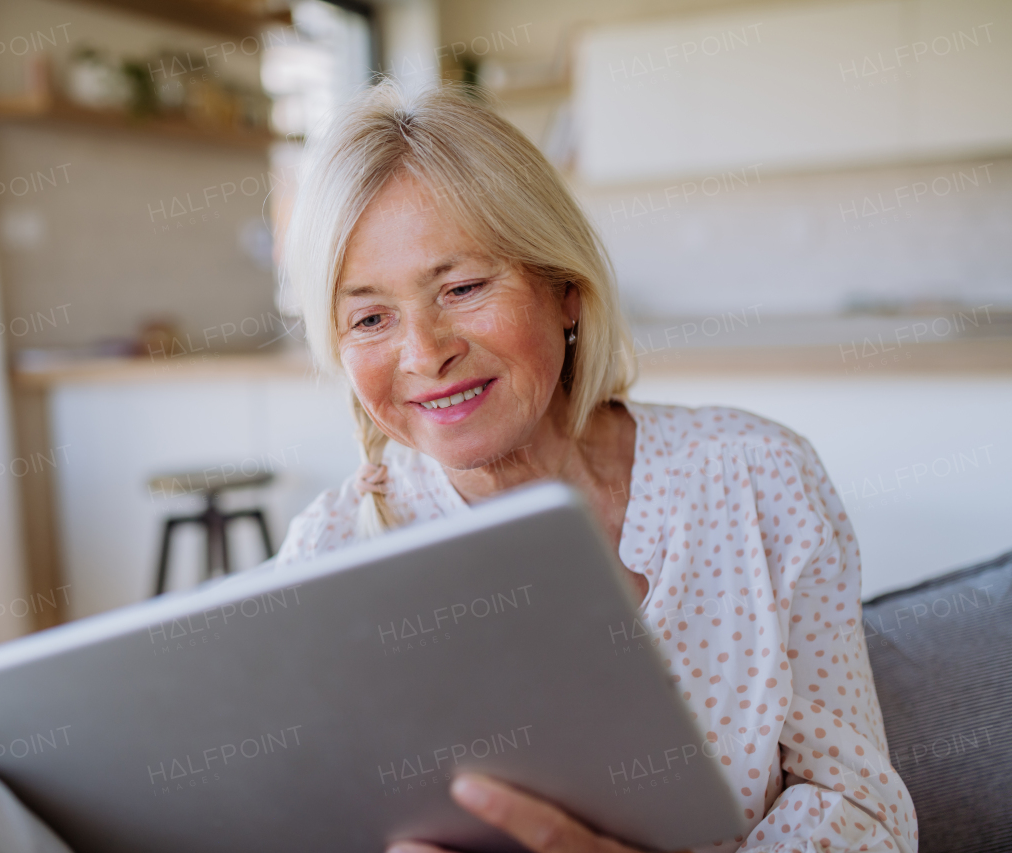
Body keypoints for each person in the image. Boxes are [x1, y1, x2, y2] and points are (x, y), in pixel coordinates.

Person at [275, 81, 917, 853]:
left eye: (464, 287)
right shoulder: (331, 549)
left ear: (566, 291)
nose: (424, 354)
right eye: (371, 317)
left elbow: (866, 814)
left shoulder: (758, 477)